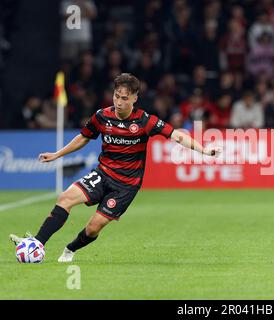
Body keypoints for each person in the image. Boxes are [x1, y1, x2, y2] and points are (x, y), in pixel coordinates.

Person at [10, 73, 220, 263]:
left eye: (124, 98)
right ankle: (36, 244)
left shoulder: (145, 121)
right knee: (65, 198)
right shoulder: (102, 116)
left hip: (126, 185)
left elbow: (177, 135)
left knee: (93, 228)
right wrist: (57, 154)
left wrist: (204, 151)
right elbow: (84, 138)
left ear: (135, 98)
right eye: (116, 96)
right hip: (102, 174)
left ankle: (70, 249)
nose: (119, 102)